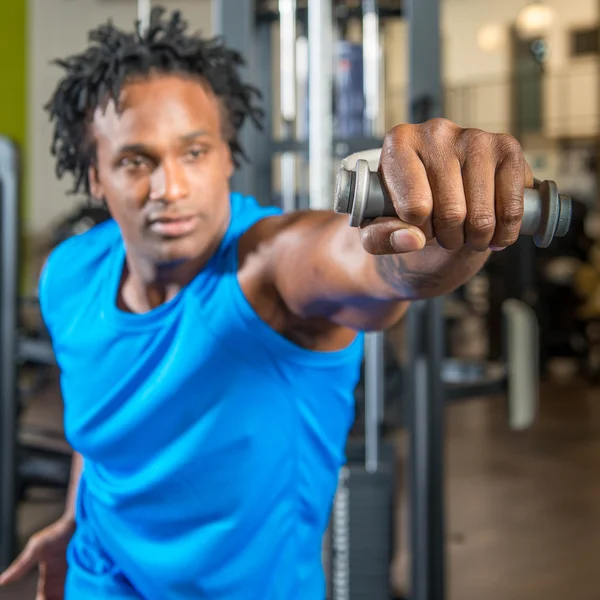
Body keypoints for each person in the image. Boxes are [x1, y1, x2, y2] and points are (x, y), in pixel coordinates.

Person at [0, 7, 533, 600]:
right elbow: (96, 415)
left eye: (194, 152)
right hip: (100, 579)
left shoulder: (269, 271)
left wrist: (440, 236)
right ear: (95, 178)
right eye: (134, 161)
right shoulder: (68, 274)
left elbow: (377, 267)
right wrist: (76, 519)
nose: (170, 188)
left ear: (228, 156)